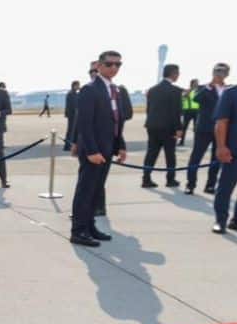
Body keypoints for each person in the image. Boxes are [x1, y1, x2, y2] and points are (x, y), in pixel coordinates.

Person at [70, 50, 128, 247]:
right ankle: (78, 231)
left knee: (96, 190)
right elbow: (85, 123)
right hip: (94, 151)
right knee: (85, 191)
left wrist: (120, 145)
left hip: (108, 148)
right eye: (110, 64)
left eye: (118, 65)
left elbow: (117, 121)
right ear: (100, 66)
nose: (114, 68)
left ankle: (90, 226)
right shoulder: (90, 89)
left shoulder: (115, 90)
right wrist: (92, 151)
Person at [211, 55, 237, 234]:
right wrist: (221, 146)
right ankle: (220, 221)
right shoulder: (233, 93)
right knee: (226, 187)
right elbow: (221, 122)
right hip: (234, 150)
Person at [186, 64, 230, 195]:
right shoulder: (204, 88)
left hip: (221, 130)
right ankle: (190, 184)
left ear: (227, 74)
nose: (219, 74)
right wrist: (209, 86)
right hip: (204, 129)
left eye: (222, 72)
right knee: (196, 157)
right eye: (217, 72)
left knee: (216, 159)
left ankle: (210, 185)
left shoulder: (230, 90)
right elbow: (196, 99)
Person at [142, 64, 184, 189]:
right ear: (173, 74)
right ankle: (170, 179)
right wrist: (179, 128)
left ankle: (146, 179)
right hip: (168, 128)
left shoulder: (152, 89)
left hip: (152, 126)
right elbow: (176, 112)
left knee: (151, 153)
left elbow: (149, 109)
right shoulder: (176, 91)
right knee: (170, 154)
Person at [181, 78, 201, 146]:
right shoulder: (188, 91)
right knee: (184, 127)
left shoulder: (199, 91)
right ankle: (181, 141)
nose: (197, 84)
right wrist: (189, 91)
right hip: (187, 111)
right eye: (195, 83)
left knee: (196, 128)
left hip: (197, 111)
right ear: (192, 84)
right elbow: (183, 97)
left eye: (197, 83)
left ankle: (196, 142)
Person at [63, 81, 81, 151]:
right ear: (74, 86)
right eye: (78, 86)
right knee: (71, 130)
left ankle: (69, 145)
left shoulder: (74, 93)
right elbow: (73, 105)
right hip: (72, 115)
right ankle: (67, 146)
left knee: (72, 130)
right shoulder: (71, 94)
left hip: (73, 115)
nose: (79, 87)